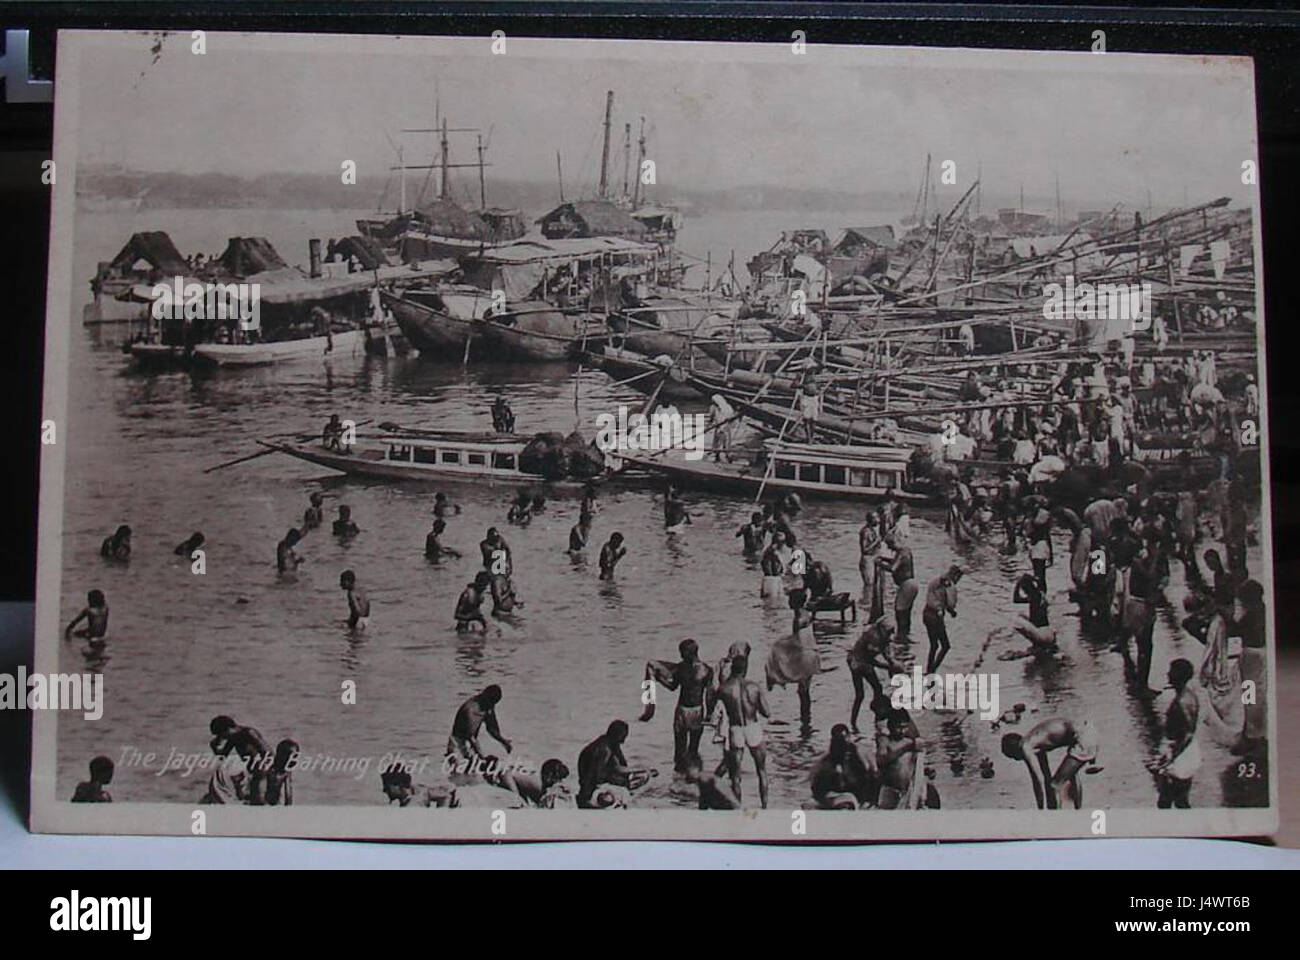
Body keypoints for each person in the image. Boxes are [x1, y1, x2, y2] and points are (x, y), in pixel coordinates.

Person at [642, 639, 714, 772]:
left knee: (680, 748)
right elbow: (709, 694)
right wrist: (709, 714)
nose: (680, 656)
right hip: (698, 711)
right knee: (693, 749)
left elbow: (672, 687)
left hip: (682, 711)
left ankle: (678, 776)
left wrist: (660, 679)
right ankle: (693, 777)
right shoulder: (707, 670)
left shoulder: (681, 668)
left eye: (682, 652)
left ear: (689, 653)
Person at [1001, 717, 1098, 810]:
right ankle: (1078, 811)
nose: (1017, 759)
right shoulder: (1036, 742)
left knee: (1055, 785)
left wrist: (1041, 810)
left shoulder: (1025, 746)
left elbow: (1038, 780)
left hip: (1083, 738)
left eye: (1013, 757)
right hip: (1088, 732)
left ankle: (1056, 820)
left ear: (1013, 750)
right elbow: (1046, 776)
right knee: (1071, 775)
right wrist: (1047, 806)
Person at [715, 654, 771, 807]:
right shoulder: (754, 686)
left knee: (735, 776)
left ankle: (738, 810)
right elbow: (767, 712)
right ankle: (765, 807)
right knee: (761, 771)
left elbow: (714, 709)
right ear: (746, 669)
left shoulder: (724, 688)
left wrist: (720, 673)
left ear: (732, 668)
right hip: (753, 727)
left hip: (735, 730)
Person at [765, 589, 820, 725]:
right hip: (811, 654)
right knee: (805, 691)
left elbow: (796, 641)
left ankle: (805, 720)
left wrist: (781, 642)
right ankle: (806, 721)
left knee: (802, 691)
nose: (788, 602)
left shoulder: (798, 618)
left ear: (795, 602)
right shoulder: (805, 613)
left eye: (790, 600)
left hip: (804, 656)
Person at [1151, 659, 1200, 809]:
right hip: (1186, 752)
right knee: (1179, 798)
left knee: (1168, 800)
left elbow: (1187, 734)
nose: (1168, 674)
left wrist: (1169, 759)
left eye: (1171, 671)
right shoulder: (1190, 695)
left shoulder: (1181, 703)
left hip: (1180, 755)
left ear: (1178, 675)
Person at [577, 720, 653, 808]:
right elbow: (598, 777)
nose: (623, 741)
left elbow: (619, 767)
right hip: (594, 788)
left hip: (604, 782)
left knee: (643, 776)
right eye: (623, 737)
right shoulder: (604, 749)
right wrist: (622, 782)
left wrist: (643, 769)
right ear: (617, 735)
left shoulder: (610, 744)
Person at [847, 618, 900, 732]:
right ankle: (854, 722)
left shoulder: (883, 638)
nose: (890, 635)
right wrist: (887, 667)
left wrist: (892, 666)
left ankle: (878, 718)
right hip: (857, 661)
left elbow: (887, 655)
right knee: (860, 694)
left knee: (877, 688)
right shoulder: (872, 637)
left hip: (863, 661)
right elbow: (870, 660)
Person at [209, 715, 270, 805]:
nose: (222, 738)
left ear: (228, 729)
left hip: (262, 772)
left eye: (221, 735)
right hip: (252, 772)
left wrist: (264, 771)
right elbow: (222, 756)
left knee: (259, 801)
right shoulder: (233, 738)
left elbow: (267, 752)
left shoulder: (249, 733)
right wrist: (214, 747)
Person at [811, 724, 876, 809]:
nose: (842, 744)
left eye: (844, 739)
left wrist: (870, 800)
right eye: (838, 741)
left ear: (849, 737)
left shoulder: (860, 752)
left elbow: (874, 773)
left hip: (858, 793)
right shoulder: (827, 759)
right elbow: (815, 783)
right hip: (838, 794)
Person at [447, 685, 513, 761]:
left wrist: (504, 742)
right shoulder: (471, 709)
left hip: (471, 743)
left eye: (494, 704)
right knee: (463, 769)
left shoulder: (487, 705)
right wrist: (481, 757)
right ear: (486, 698)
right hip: (457, 744)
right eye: (491, 703)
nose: (492, 706)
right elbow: (470, 737)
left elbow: (491, 728)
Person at [876, 707, 923, 809]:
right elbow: (882, 758)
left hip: (908, 791)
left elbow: (915, 765)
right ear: (890, 726)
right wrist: (908, 745)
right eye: (898, 728)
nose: (902, 731)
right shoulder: (884, 741)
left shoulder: (909, 741)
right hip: (890, 791)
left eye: (904, 727)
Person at [922, 565, 962, 673]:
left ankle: (929, 670)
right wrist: (952, 611)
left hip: (927, 613)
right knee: (945, 646)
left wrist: (949, 610)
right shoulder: (949, 585)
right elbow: (950, 603)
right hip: (935, 617)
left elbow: (937, 598)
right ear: (955, 576)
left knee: (934, 645)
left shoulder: (936, 581)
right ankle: (932, 670)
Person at [262, 739, 299, 806]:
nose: (295, 761)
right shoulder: (268, 771)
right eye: (292, 757)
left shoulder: (286, 772)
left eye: (295, 757)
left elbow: (288, 797)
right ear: (281, 756)